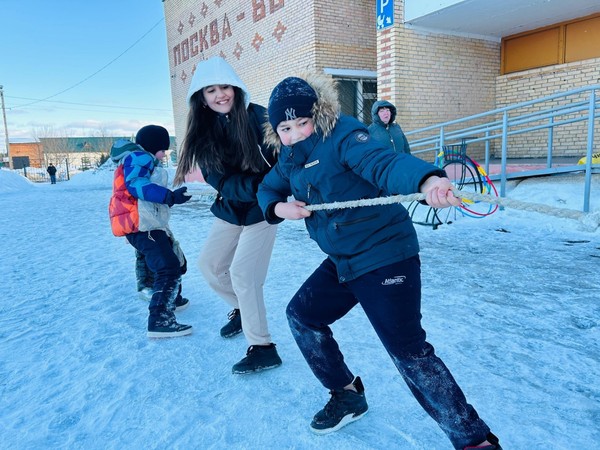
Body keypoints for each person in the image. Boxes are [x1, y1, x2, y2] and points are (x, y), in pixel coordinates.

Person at [257, 75, 502, 450]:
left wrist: (427, 180)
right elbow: (268, 187)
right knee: (302, 315)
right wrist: (278, 207)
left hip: (386, 256)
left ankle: (474, 440)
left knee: (408, 350)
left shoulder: (344, 137)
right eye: (285, 128)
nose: (295, 133)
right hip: (345, 260)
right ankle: (347, 394)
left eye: (302, 123)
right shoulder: (289, 157)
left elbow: (384, 163)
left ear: (317, 115)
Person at [174, 56, 281, 374]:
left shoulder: (259, 117)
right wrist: (250, 186)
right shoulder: (203, 130)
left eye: (224, 87)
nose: (220, 94)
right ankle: (241, 308)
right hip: (232, 206)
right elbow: (218, 178)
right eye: (211, 90)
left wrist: (268, 190)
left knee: (244, 275)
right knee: (210, 266)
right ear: (201, 98)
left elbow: (283, 162)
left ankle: (262, 347)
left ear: (235, 88)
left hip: (263, 208)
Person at [109, 125, 192, 338]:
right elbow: (136, 185)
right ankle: (159, 319)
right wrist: (169, 196)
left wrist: (171, 196)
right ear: (153, 146)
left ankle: (170, 298)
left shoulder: (137, 159)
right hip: (143, 225)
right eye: (163, 149)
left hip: (145, 224)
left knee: (171, 258)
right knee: (168, 266)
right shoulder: (140, 157)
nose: (164, 154)